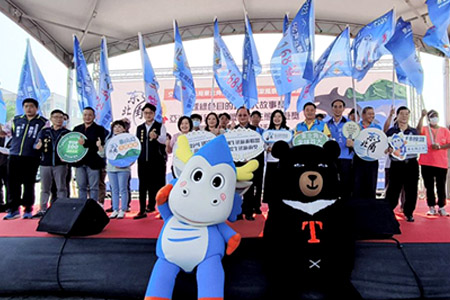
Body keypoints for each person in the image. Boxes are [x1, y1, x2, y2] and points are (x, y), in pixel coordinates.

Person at [1, 98, 48, 220]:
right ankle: (14, 209)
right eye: (26, 106)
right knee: (13, 184)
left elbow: (46, 138)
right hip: (14, 156)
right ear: (23, 108)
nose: (29, 109)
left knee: (29, 184)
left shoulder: (43, 122)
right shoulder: (16, 120)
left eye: (31, 106)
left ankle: (28, 209)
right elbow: (4, 132)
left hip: (32, 157)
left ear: (36, 108)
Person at [32, 109, 71, 219]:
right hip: (45, 164)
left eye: (61, 117)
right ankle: (43, 209)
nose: (58, 119)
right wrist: (37, 146)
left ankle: (62, 209)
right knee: (45, 188)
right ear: (51, 119)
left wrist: (68, 158)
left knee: (61, 188)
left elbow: (72, 149)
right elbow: (35, 144)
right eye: (56, 117)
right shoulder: (44, 131)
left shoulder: (67, 133)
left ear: (64, 119)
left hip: (60, 164)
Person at [384, 106, 420, 222]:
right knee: (393, 189)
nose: (404, 116)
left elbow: (420, 146)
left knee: (411, 190)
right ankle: (389, 211)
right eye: (402, 114)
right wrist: (388, 149)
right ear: (397, 115)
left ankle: (408, 212)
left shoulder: (414, 132)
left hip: (411, 164)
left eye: (407, 114)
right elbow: (386, 146)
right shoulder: (391, 131)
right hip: (396, 164)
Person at [135, 103, 167, 219]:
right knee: (143, 186)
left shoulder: (160, 126)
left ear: (154, 114)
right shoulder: (140, 128)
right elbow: (136, 144)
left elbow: (164, 140)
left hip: (157, 161)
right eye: (145, 113)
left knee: (159, 186)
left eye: (150, 113)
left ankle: (162, 211)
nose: (148, 115)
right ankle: (142, 210)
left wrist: (156, 137)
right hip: (143, 161)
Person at [417, 109, 450, 217]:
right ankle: (431, 207)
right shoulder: (425, 129)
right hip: (426, 162)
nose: (434, 118)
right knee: (429, 186)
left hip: (441, 163)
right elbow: (417, 131)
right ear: (428, 119)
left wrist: (440, 147)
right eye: (432, 116)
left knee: (441, 185)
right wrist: (422, 117)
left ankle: (441, 206)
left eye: (436, 116)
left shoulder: (445, 130)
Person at [234, 106, 264, 220]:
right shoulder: (233, 131)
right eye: (240, 115)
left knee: (249, 190)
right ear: (236, 117)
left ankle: (248, 212)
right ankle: (238, 213)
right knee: (237, 191)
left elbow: (259, 149)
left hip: (251, 165)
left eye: (245, 115)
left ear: (249, 117)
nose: (242, 117)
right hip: (238, 165)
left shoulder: (255, 130)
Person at [73, 107, 107, 203]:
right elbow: (72, 144)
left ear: (94, 116)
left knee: (94, 187)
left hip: (94, 163)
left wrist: (86, 143)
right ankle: (81, 208)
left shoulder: (100, 129)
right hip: (79, 162)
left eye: (90, 115)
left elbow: (99, 145)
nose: (87, 117)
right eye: (85, 115)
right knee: (81, 186)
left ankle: (93, 208)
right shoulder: (77, 129)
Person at [98, 120, 130, 219]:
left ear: (124, 129)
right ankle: (115, 209)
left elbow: (132, 154)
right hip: (111, 168)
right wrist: (99, 146)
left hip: (123, 168)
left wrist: (126, 163)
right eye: (115, 127)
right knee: (114, 190)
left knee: (123, 189)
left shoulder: (128, 140)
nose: (117, 128)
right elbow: (103, 154)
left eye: (120, 126)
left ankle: (123, 209)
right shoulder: (109, 140)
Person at [351, 106, 381, 199]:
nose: (372, 116)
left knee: (371, 184)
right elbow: (350, 141)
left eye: (373, 114)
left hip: (372, 159)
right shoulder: (356, 127)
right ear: (363, 115)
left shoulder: (377, 127)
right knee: (358, 184)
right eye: (369, 113)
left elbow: (381, 143)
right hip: (359, 159)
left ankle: (371, 207)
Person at [327, 99, 354, 200]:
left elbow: (357, 140)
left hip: (345, 157)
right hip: (330, 158)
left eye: (340, 106)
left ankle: (346, 206)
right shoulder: (326, 124)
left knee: (346, 184)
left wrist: (352, 144)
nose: (337, 109)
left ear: (344, 109)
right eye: (335, 106)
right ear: (332, 108)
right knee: (331, 182)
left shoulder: (350, 124)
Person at [263, 110, 289, 209]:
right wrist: (269, 149)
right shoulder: (267, 132)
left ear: (282, 119)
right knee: (271, 185)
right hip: (271, 161)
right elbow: (263, 145)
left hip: (283, 162)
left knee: (282, 185)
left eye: (279, 116)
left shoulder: (287, 132)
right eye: (275, 116)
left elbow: (290, 146)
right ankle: (271, 206)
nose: (277, 119)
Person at [0, 136, 9, 212]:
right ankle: (0, 204)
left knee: (9, 185)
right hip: (0, 164)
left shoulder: (14, 138)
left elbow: (11, 151)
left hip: (8, 165)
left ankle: (10, 205)